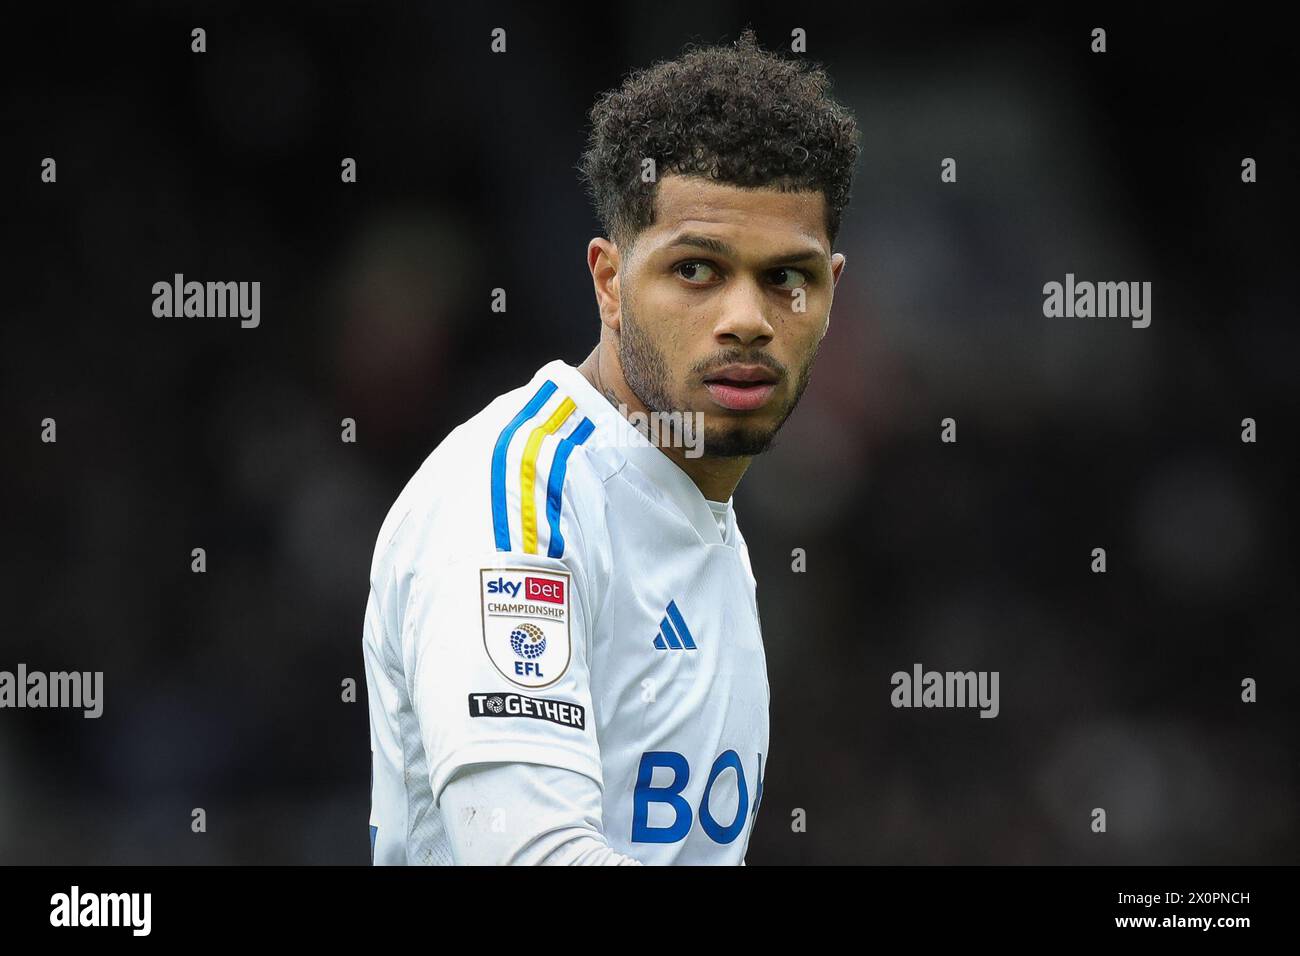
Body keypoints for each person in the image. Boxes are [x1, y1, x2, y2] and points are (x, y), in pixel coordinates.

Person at [363, 28, 859, 864]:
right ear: (609, 281)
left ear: (829, 292)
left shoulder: (700, 505)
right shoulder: (519, 500)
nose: (747, 317)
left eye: (787, 278)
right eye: (697, 270)